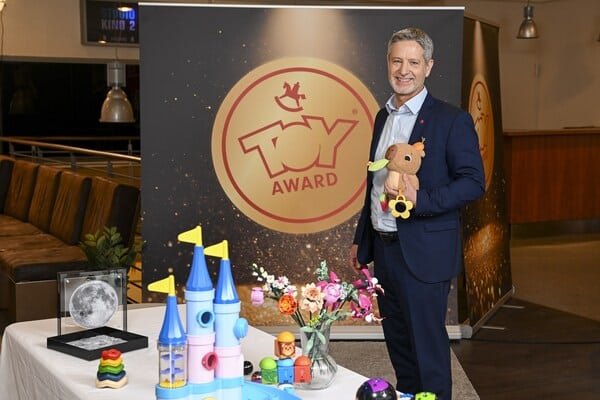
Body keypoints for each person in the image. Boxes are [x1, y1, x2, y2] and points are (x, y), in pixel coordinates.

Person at [348, 27, 485, 399]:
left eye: (413, 62)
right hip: (385, 249)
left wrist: (420, 199)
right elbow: (375, 185)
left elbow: (473, 183)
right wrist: (363, 240)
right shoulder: (383, 117)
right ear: (388, 64)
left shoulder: (451, 120)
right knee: (399, 345)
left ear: (428, 66)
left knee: (428, 349)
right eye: (397, 61)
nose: (403, 70)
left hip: (424, 251)